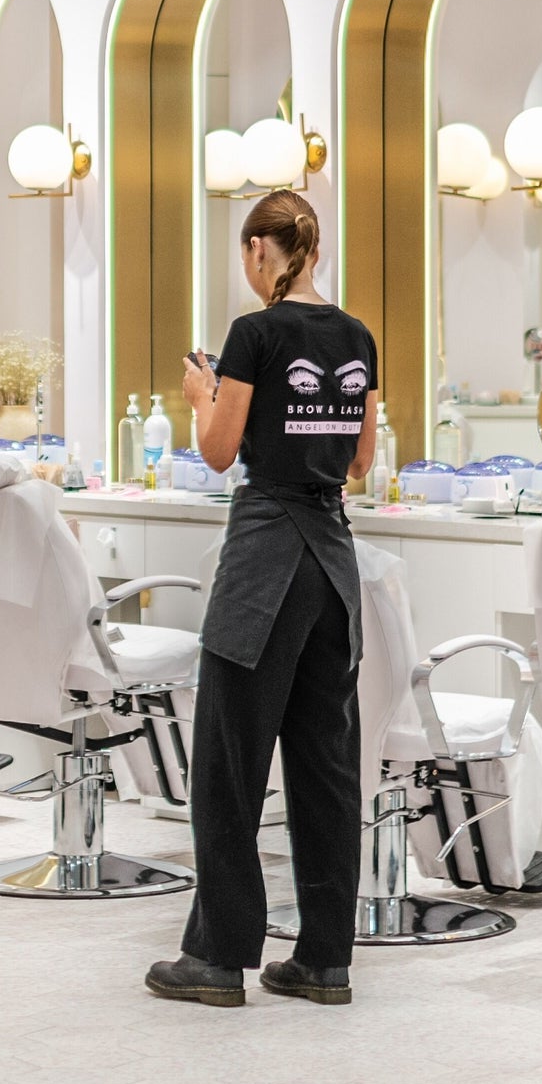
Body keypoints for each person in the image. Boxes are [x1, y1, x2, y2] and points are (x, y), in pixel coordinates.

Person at [147, 190, 371, 1008]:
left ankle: (218, 956)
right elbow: (359, 462)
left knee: (229, 763)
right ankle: (323, 958)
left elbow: (217, 451)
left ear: (259, 251)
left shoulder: (255, 332)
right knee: (324, 764)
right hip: (334, 565)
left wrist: (200, 395)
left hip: (267, 554)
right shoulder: (356, 336)